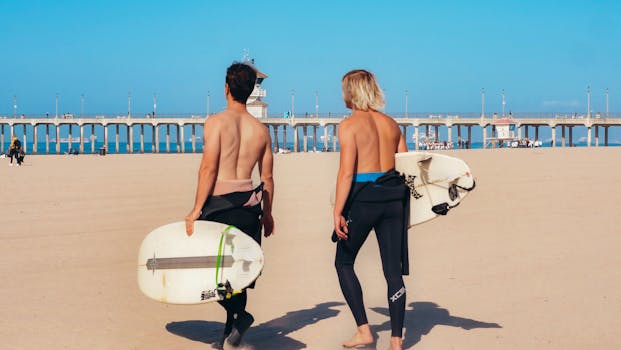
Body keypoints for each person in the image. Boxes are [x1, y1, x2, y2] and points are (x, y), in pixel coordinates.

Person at [184, 62, 275, 348]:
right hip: (249, 206)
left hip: (219, 207)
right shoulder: (260, 130)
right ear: (250, 92)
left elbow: (208, 170)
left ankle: (241, 317)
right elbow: (268, 178)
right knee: (239, 272)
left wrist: (196, 209)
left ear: (226, 88)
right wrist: (268, 214)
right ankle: (229, 334)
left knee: (215, 273)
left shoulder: (215, 122)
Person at [333, 69, 409, 350]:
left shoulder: (349, 126)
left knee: (343, 262)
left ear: (351, 92)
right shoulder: (391, 124)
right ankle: (397, 341)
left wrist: (337, 212)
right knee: (393, 272)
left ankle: (364, 331)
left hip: (363, 200)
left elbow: (346, 173)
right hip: (393, 200)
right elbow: (406, 167)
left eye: (344, 89)